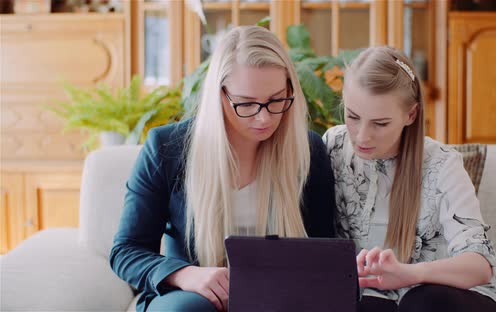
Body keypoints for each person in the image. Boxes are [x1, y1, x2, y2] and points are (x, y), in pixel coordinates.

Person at [110, 25, 336, 312]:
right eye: (247, 103)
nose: (264, 118)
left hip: (279, 299)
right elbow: (126, 251)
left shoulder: (308, 151)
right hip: (194, 302)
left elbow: (325, 255)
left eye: (276, 99)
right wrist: (186, 275)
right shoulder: (167, 148)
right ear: (220, 95)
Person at [322, 46, 496, 312]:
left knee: (420, 301)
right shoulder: (333, 147)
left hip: (447, 301)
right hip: (374, 301)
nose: (362, 136)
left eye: (380, 123)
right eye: (352, 116)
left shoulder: (442, 164)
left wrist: (410, 274)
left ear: (411, 114)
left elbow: (479, 266)